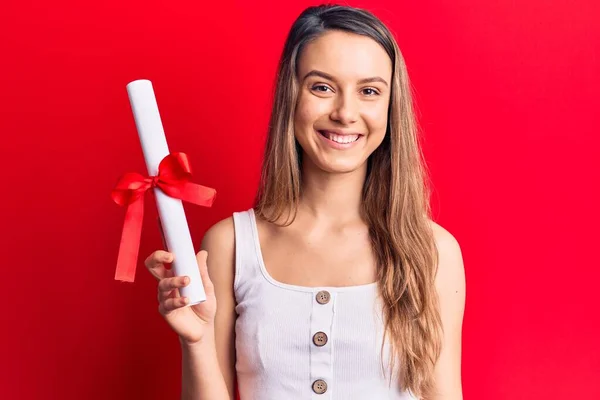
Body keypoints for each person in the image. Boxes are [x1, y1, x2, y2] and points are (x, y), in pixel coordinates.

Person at [144, 4, 465, 400]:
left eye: (369, 91)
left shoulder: (434, 253)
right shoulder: (229, 246)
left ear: (389, 106)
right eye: (322, 87)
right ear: (291, 96)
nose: (345, 113)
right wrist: (195, 342)